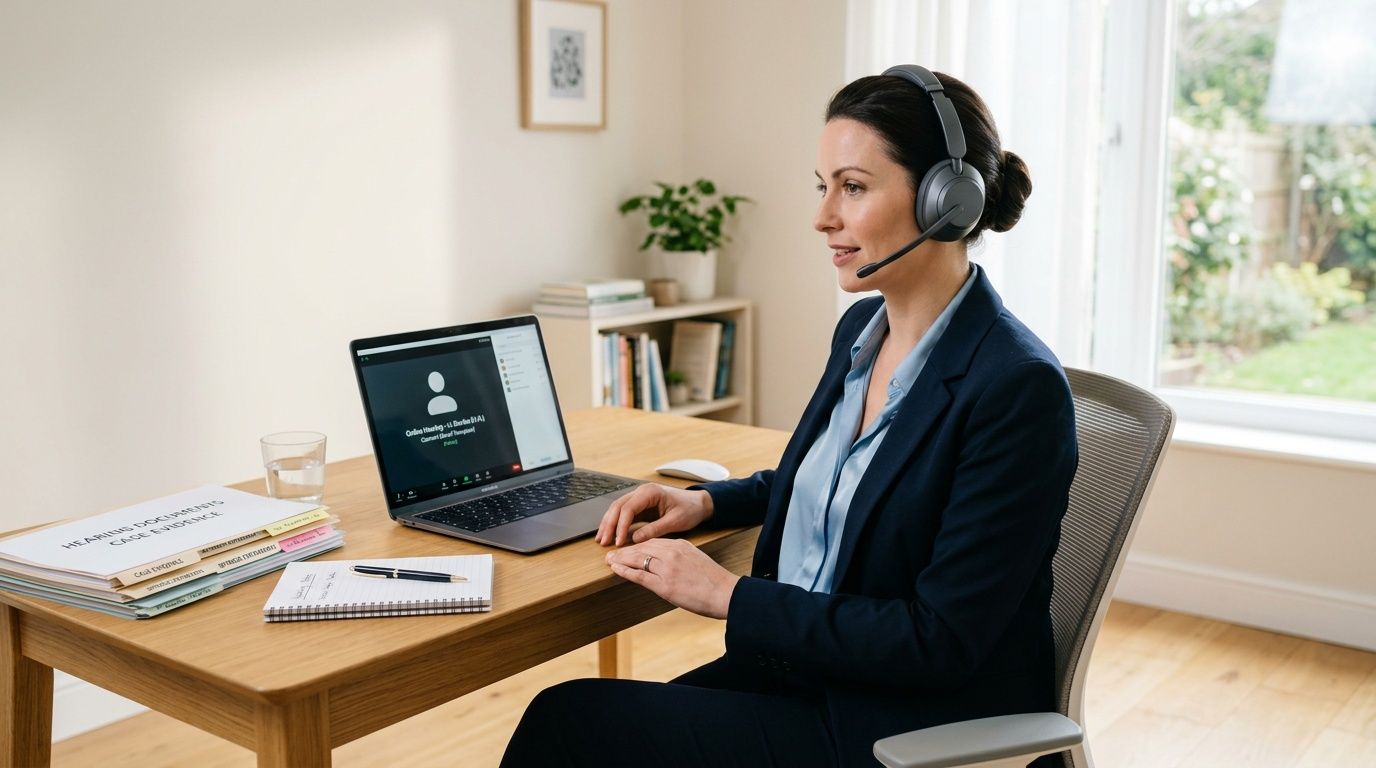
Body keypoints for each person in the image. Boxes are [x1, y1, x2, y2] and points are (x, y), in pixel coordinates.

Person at [501, 65, 1078, 767]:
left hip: (901, 721)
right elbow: (837, 485)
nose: (822, 216)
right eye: (822, 185)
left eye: (853, 186)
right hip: (812, 674)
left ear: (944, 202)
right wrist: (704, 502)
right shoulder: (865, 331)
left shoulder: (1016, 387)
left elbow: (942, 639)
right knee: (584, 726)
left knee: (570, 724)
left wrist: (729, 595)